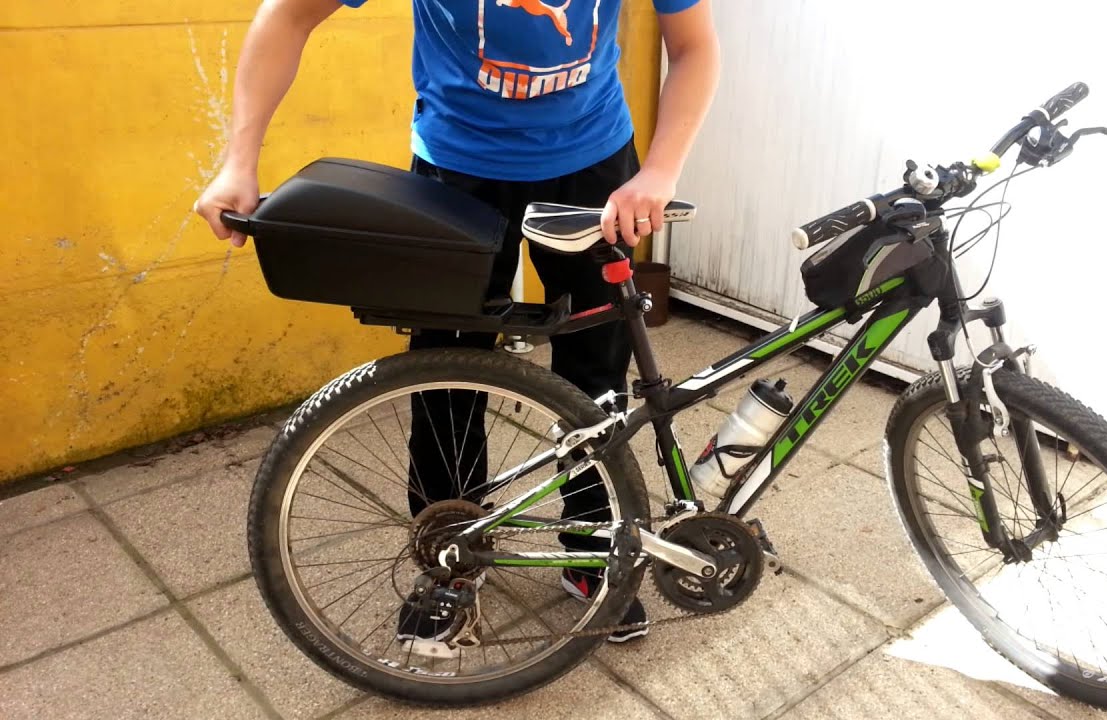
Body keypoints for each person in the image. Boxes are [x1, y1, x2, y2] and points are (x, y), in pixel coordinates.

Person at [194, 0, 719, 648]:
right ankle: (450, 557)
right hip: (458, 173)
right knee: (445, 375)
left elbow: (693, 45)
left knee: (596, 374)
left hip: (593, 170)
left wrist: (660, 172)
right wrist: (237, 163)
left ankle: (592, 546)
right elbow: (288, 15)